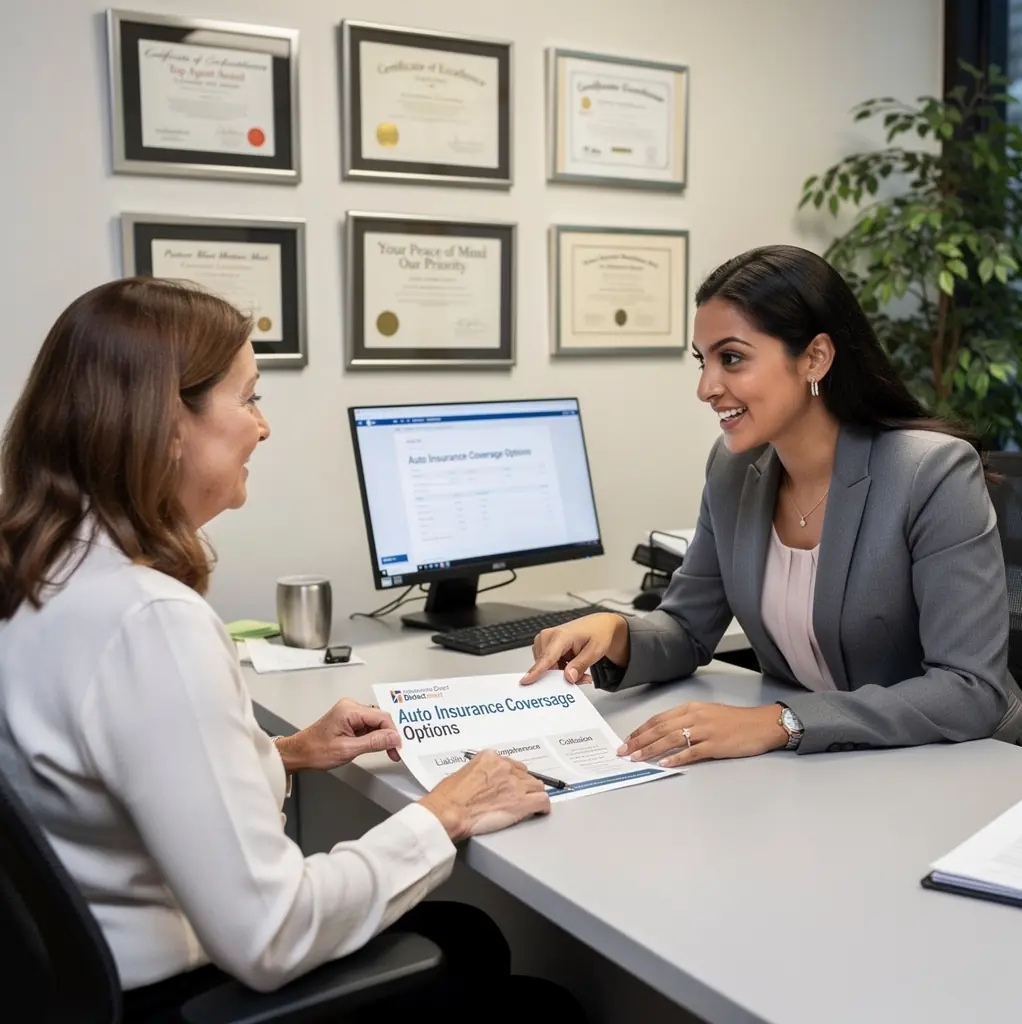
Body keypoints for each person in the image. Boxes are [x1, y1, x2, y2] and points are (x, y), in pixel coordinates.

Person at [0, 278, 585, 1023]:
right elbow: (270, 935)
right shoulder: (148, 621)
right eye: (249, 398)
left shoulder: (40, 573)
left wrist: (286, 753)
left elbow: (106, 777)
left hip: (84, 978)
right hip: (172, 995)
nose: (263, 427)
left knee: (465, 936)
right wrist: (445, 812)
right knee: (539, 1005)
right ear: (166, 423)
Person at [523, 244, 1022, 764]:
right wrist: (617, 632)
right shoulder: (734, 468)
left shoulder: (932, 472)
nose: (706, 387)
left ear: (815, 357)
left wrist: (780, 722)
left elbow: (969, 689)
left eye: (732, 358)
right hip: (822, 771)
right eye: (703, 360)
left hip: (957, 768)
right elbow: (689, 628)